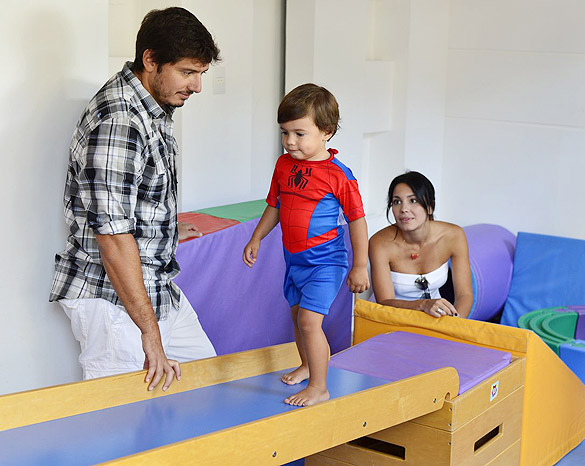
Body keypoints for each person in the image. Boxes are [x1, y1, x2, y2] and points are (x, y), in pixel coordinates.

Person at [49, 7, 220, 391]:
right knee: (122, 427)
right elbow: (110, 238)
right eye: (188, 72)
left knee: (207, 388)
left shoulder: (151, 106)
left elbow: (128, 196)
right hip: (113, 302)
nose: (197, 87)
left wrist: (164, 228)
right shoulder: (119, 121)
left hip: (153, 286)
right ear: (151, 60)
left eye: (201, 74)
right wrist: (150, 333)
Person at [243, 83, 369, 406]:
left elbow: (357, 220)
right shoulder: (284, 166)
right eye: (285, 133)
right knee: (298, 315)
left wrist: (359, 265)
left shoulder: (339, 175)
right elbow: (275, 206)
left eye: (299, 134)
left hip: (326, 262)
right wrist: (257, 237)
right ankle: (307, 364)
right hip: (295, 260)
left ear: (326, 131)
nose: (289, 142)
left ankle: (319, 386)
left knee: (310, 321)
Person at [369, 171, 474, 318]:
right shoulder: (380, 243)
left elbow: (465, 294)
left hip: (436, 317)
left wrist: (454, 326)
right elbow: (385, 301)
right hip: (392, 318)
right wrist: (423, 305)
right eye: (396, 202)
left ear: (430, 207)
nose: (404, 209)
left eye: (413, 201)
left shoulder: (453, 236)